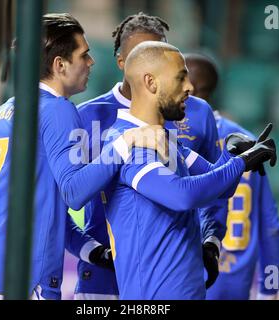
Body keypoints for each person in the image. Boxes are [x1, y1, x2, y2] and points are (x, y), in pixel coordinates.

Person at [0, 13, 166, 300]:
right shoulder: (58, 110)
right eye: (84, 55)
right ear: (60, 65)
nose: (91, 63)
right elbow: (75, 191)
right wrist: (126, 142)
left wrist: (89, 250)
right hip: (24, 279)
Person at [102, 41, 277, 299]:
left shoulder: (168, 141)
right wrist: (242, 162)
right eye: (180, 77)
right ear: (151, 83)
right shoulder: (130, 144)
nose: (190, 87)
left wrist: (233, 153)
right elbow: (183, 195)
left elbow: (222, 188)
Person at [73, 12, 224, 300]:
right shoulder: (88, 116)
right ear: (123, 62)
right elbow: (67, 195)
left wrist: (211, 240)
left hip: (169, 274)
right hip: (103, 275)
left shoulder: (196, 111)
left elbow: (213, 184)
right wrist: (88, 250)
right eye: (140, 54)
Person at [183, 53, 279, 299]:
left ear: (188, 88)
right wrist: (270, 289)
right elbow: (270, 224)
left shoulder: (173, 139)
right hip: (236, 284)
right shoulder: (247, 141)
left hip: (187, 278)